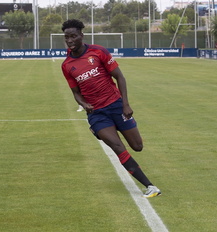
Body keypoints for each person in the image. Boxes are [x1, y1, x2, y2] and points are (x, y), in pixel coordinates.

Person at [61, 19, 161, 198]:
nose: (70, 40)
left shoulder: (98, 52)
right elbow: (75, 92)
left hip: (116, 105)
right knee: (117, 146)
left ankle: (113, 127)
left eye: (73, 36)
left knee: (137, 146)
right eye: (67, 37)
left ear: (81, 36)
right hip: (97, 114)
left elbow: (120, 77)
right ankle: (150, 186)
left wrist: (125, 104)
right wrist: (83, 104)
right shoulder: (67, 65)